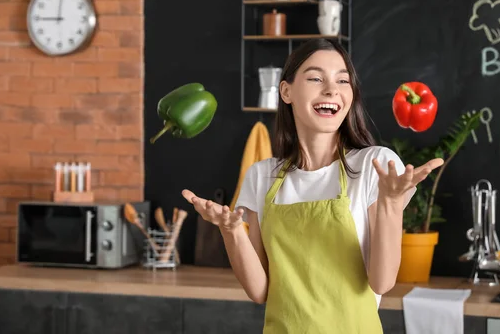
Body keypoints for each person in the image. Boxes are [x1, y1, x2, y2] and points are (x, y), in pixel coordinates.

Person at [182, 38, 444, 333]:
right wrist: (230, 232)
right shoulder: (261, 176)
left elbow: (382, 282)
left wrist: (391, 205)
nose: (332, 89)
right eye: (316, 78)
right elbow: (260, 291)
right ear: (286, 91)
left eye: (342, 80)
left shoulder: (374, 166)